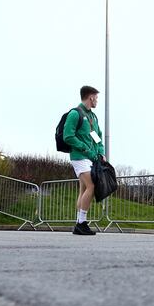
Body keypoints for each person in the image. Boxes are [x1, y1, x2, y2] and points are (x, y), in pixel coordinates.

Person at [62, 85, 105, 236]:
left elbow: (97, 137)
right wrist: (84, 148)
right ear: (90, 97)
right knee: (91, 186)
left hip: (91, 158)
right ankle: (81, 223)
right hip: (79, 157)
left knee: (83, 189)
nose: (97, 101)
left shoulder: (92, 117)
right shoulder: (75, 113)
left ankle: (78, 223)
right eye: (96, 97)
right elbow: (68, 136)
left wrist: (101, 152)